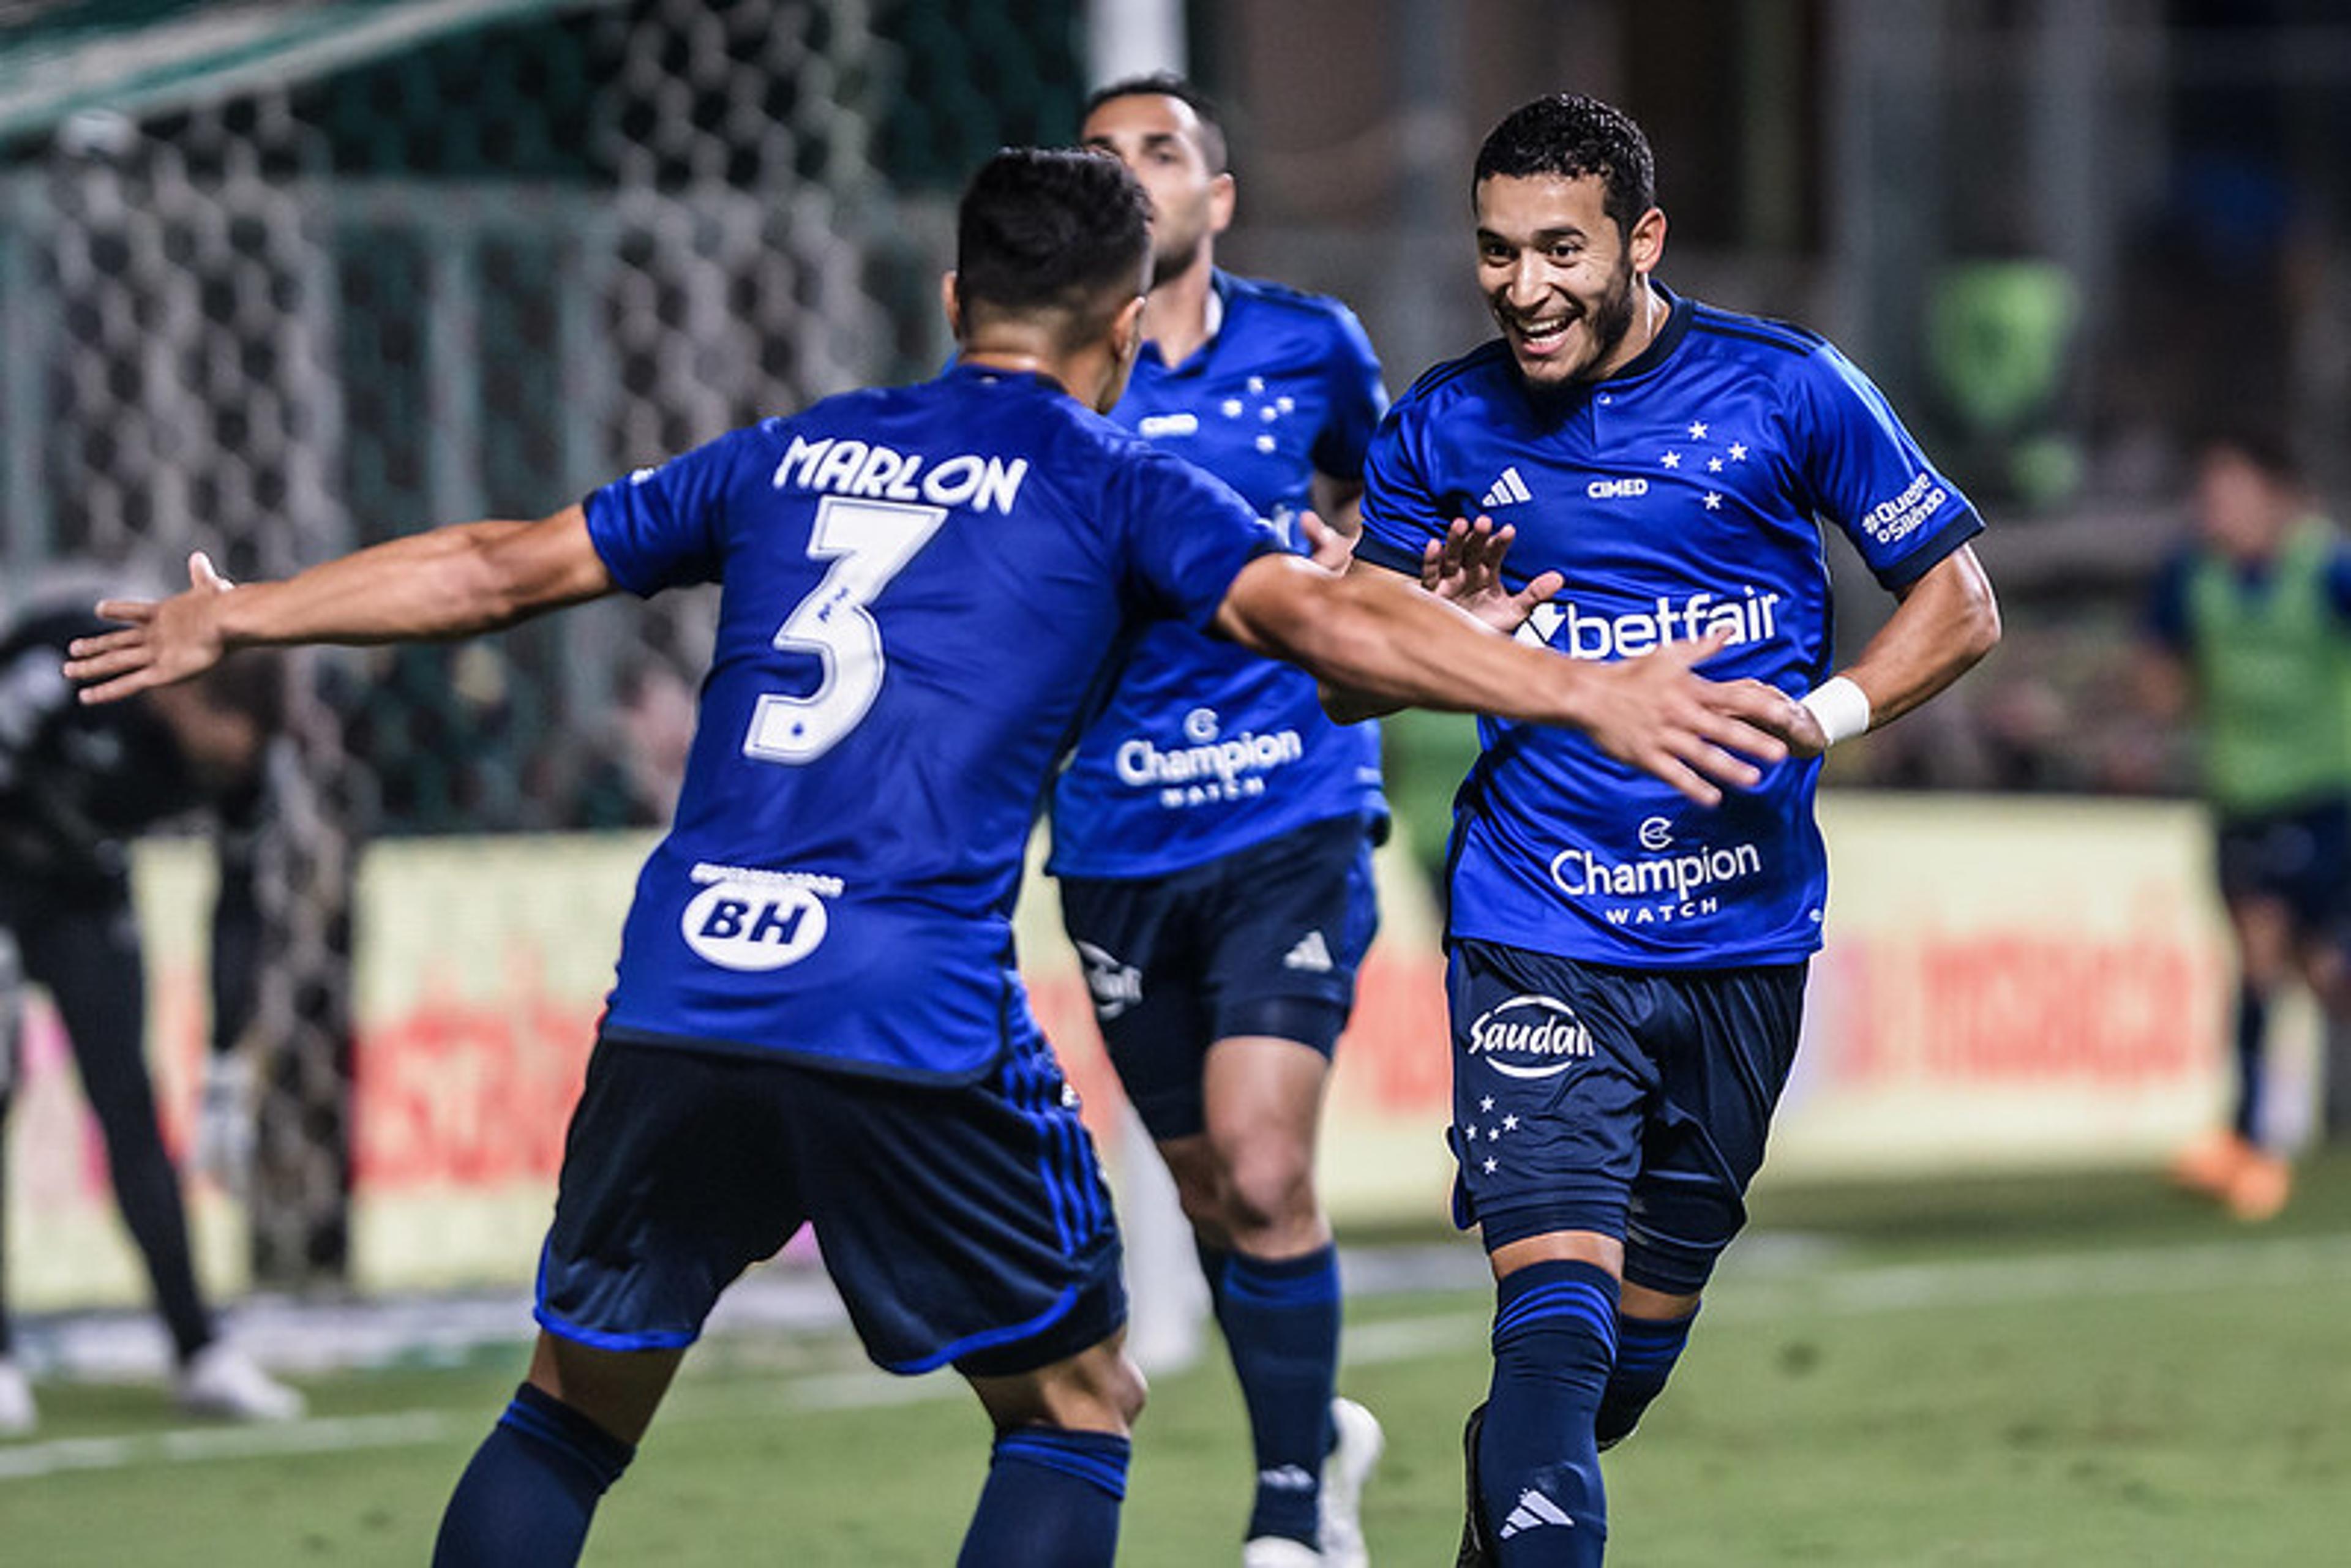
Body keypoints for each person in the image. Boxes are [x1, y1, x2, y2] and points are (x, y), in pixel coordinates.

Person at [67, 147, 1800, 1567]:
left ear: (953, 301)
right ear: (1125, 331)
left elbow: (496, 566)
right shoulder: (1119, 483)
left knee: (566, 1416)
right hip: (906, 1010)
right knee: (1076, 1406)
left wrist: (247, 617)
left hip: (689, 988)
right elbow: (1325, 626)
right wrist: (1583, 687)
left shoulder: (788, 453)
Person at [1329, 94, 2000, 1564]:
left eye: (1560, 249)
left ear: (1642, 240)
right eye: (1497, 252)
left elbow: (1959, 602)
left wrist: (1819, 719)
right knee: (1553, 1332)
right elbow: (1343, 675)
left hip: (1742, 939)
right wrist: (1440, 632)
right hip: (1538, 925)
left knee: (1611, 1378)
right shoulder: (1441, 424)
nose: (1524, 288)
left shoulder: (1792, 389)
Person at [1052, 73, 1389, 1568]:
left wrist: (1365, 561)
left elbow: (1395, 511)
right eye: (1102, 156)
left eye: (1161, 150)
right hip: (1118, 831)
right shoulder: (1050, 371)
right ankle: (1318, 1429)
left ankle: (1287, 1520)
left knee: (1262, 1167)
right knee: (1201, 1184)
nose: (1132, 174)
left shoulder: (1312, 346)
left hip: (1289, 801)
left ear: (1219, 196)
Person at [0, 586, 308, 1435]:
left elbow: (236, 904)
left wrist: (219, 1063)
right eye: (212, 756)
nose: (219, 776)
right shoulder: (62, 670)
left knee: (130, 1105)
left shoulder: (251, 764)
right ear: (175, 689)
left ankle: (199, 1348)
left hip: (83, 885)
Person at [2139, 427, 2351, 1220]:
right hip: (2242, 799)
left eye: (2228, 490)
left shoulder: (2325, 567)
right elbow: (2158, 671)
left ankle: (2251, 1141)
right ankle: (2249, 1144)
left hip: (2330, 796)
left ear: (2274, 494)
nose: (2213, 506)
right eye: (2207, 491)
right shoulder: (2192, 574)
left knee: (2318, 972)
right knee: (2264, 960)